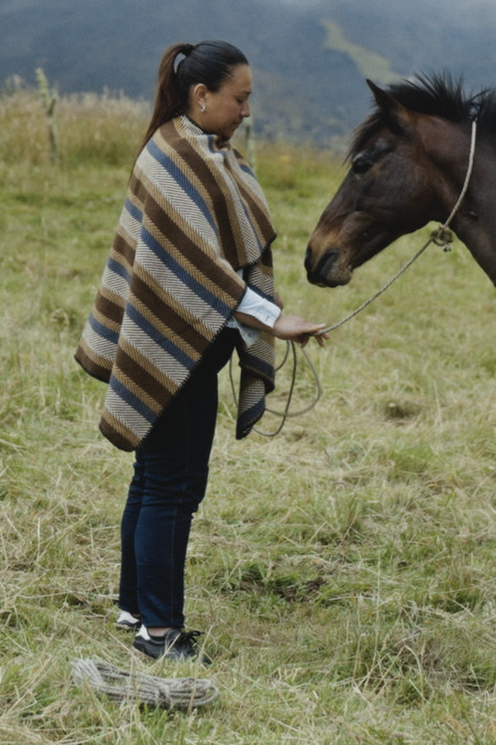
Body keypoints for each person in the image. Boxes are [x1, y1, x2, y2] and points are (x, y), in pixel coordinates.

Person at [75, 40, 329, 664]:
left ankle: (136, 607)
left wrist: (267, 315)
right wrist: (274, 319)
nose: (247, 110)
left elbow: (218, 258)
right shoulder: (176, 156)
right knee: (173, 486)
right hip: (175, 349)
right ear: (201, 95)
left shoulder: (201, 149)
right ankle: (160, 634)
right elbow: (196, 269)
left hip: (188, 344)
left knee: (155, 478)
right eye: (240, 98)